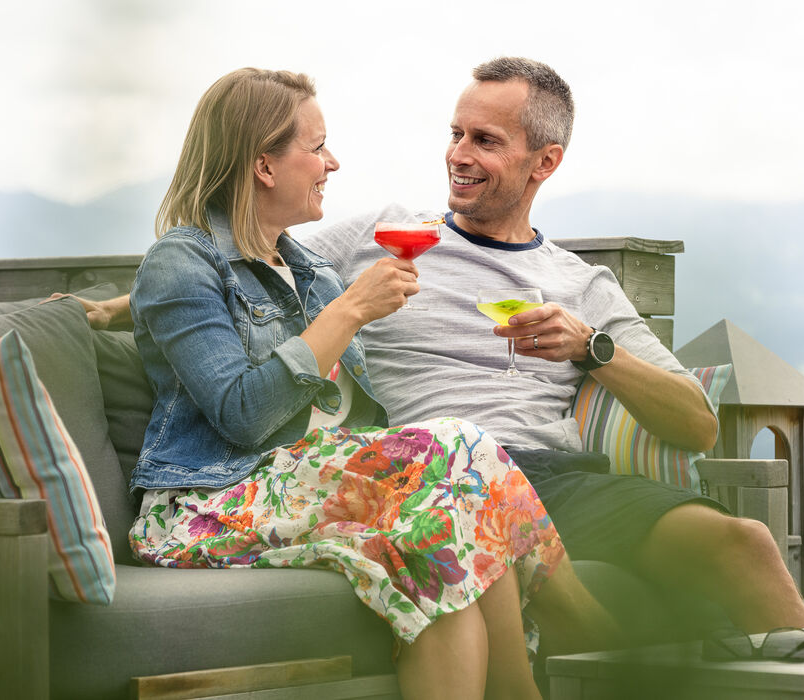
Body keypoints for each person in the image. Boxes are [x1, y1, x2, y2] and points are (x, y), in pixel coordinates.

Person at [73, 58, 804, 640]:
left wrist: (591, 351)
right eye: (456, 133)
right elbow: (239, 254)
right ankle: (593, 635)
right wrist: (114, 305)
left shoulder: (579, 284)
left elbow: (692, 423)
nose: (457, 155)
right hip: (424, 468)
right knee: (464, 465)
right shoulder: (385, 236)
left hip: (560, 479)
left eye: (485, 141)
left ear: (545, 162)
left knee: (744, 542)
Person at [123, 66, 614, 700]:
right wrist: (349, 311)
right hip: (213, 505)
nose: (333, 162)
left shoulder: (311, 271)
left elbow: (351, 421)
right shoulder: (183, 262)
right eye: (316, 146)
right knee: (460, 445)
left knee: (445, 551)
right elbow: (241, 415)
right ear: (264, 166)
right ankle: (575, 630)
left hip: (311, 490)